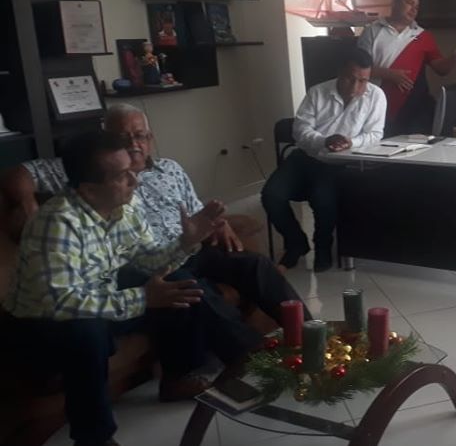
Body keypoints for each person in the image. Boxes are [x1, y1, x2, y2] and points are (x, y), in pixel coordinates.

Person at [2, 131, 241, 446]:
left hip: (98, 295)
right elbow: (63, 301)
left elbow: (150, 260)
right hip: (40, 323)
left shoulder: (123, 208)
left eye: (132, 170)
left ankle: (178, 376)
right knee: (87, 332)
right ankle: (92, 444)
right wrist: (143, 298)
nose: (135, 180)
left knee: (178, 284)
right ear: (89, 190)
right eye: (122, 175)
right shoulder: (57, 223)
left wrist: (187, 240)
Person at [0, 104, 309, 336]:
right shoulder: (92, 170)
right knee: (190, 288)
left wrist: (217, 224)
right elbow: (21, 172)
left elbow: (196, 212)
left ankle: (310, 333)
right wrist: (27, 201)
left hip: (185, 248)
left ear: (151, 138)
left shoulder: (170, 169)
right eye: (123, 137)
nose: (134, 143)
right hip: (145, 263)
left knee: (255, 264)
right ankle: (248, 360)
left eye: (140, 136)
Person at [261, 47, 386, 272]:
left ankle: (323, 248)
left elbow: (375, 134)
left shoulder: (376, 96)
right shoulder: (317, 92)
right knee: (271, 194)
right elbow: (300, 130)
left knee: (323, 200)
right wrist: (323, 141)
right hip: (306, 157)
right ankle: (296, 243)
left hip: (339, 163)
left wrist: (351, 142)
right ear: (339, 72)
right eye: (350, 79)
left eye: (363, 81)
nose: (356, 87)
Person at [358, 0, 456, 136]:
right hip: (380, 104)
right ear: (395, 1)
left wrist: (454, 57)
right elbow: (358, 68)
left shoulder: (423, 35)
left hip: (416, 108)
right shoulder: (372, 31)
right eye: (409, 3)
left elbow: (441, 69)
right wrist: (389, 74)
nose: (413, 9)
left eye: (417, 7)